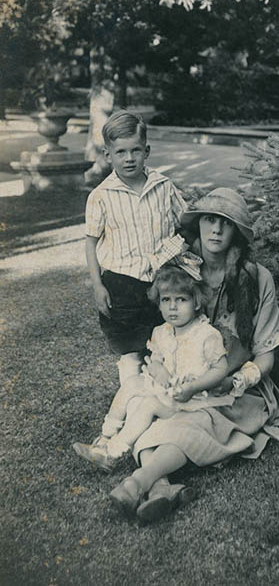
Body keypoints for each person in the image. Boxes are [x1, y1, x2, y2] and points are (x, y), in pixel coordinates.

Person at [109, 187, 279, 524]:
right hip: (181, 383)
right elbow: (163, 336)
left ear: (238, 233)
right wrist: (160, 370)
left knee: (192, 422)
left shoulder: (257, 278)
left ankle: (136, 483)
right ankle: (162, 490)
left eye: (225, 224)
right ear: (198, 224)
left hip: (236, 389)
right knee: (149, 413)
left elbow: (265, 358)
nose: (216, 230)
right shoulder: (180, 269)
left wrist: (235, 380)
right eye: (210, 221)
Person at [79, 109, 187, 454]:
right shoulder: (101, 195)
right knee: (130, 355)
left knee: (163, 348)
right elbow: (91, 242)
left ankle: (158, 416)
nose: (128, 159)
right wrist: (97, 285)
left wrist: (169, 257)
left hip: (162, 284)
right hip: (121, 284)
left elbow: (185, 226)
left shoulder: (163, 186)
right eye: (120, 152)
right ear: (108, 155)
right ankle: (127, 417)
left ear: (147, 151)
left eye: (135, 150)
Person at [73, 264, 235, 472]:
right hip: (166, 388)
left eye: (181, 300)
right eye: (166, 300)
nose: (173, 307)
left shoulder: (206, 334)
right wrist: (158, 368)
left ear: (196, 303)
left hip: (192, 399)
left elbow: (220, 369)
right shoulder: (161, 332)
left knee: (149, 405)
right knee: (132, 384)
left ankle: (111, 453)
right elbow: (157, 358)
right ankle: (104, 437)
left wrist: (193, 387)